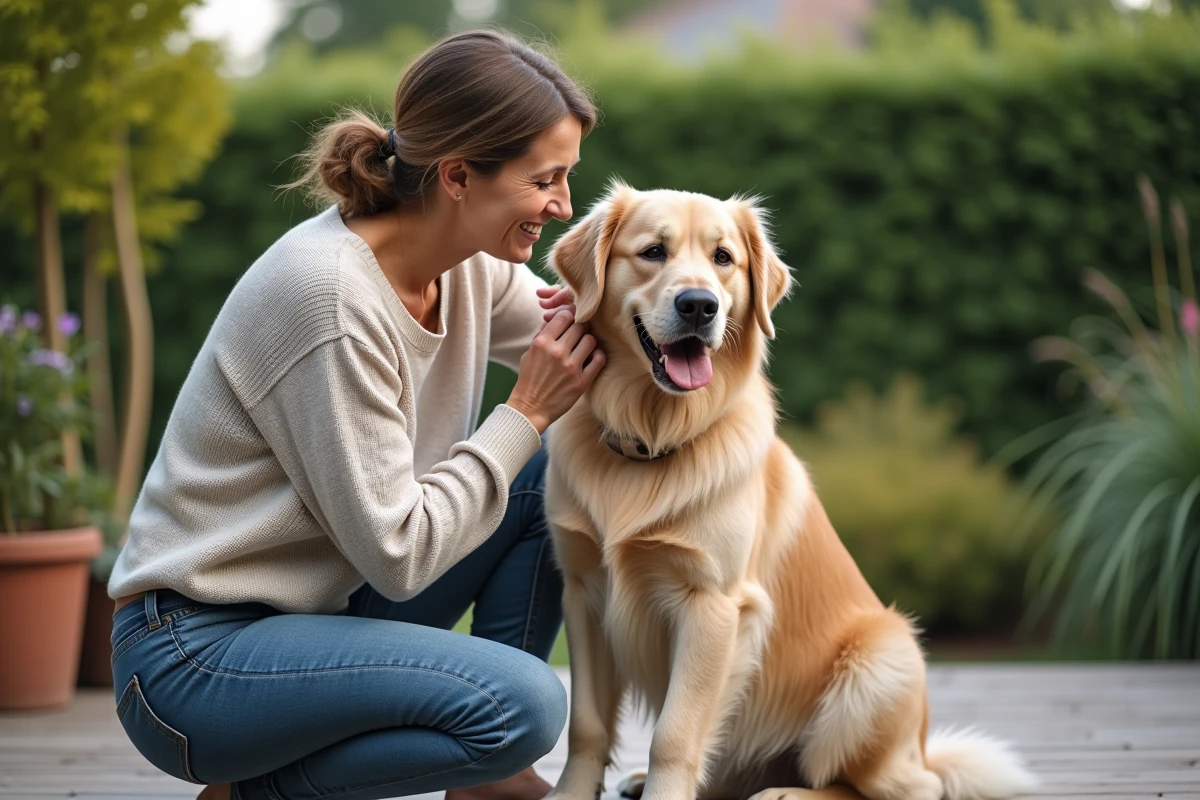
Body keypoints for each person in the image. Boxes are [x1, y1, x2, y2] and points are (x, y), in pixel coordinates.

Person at [106, 28, 605, 800]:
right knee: (524, 703)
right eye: (546, 180)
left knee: (547, 470)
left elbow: (581, 343)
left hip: (331, 602)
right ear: (459, 176)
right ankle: (251, 792)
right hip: (195, 655)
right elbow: (401, 552)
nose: (563, 206)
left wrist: (668, 300)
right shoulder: (331, 300)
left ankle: (493, 782)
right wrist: (525, 410)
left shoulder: (464, 265)